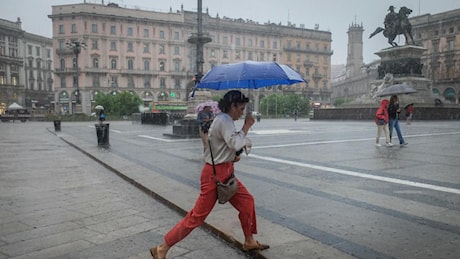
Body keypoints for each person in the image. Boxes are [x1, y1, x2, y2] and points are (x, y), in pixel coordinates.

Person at [150, 90, 269, 259]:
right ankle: (162, 248)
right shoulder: (224, 120)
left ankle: (249, 240)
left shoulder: (223, 120)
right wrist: (247, 126)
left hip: (225, 171)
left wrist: (231, 157)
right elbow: (235, 143)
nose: (242, 112)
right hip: (215, 176)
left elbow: (222, 146)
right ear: (233, 106)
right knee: (196, 217)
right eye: (241, 108)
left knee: (247, 201)